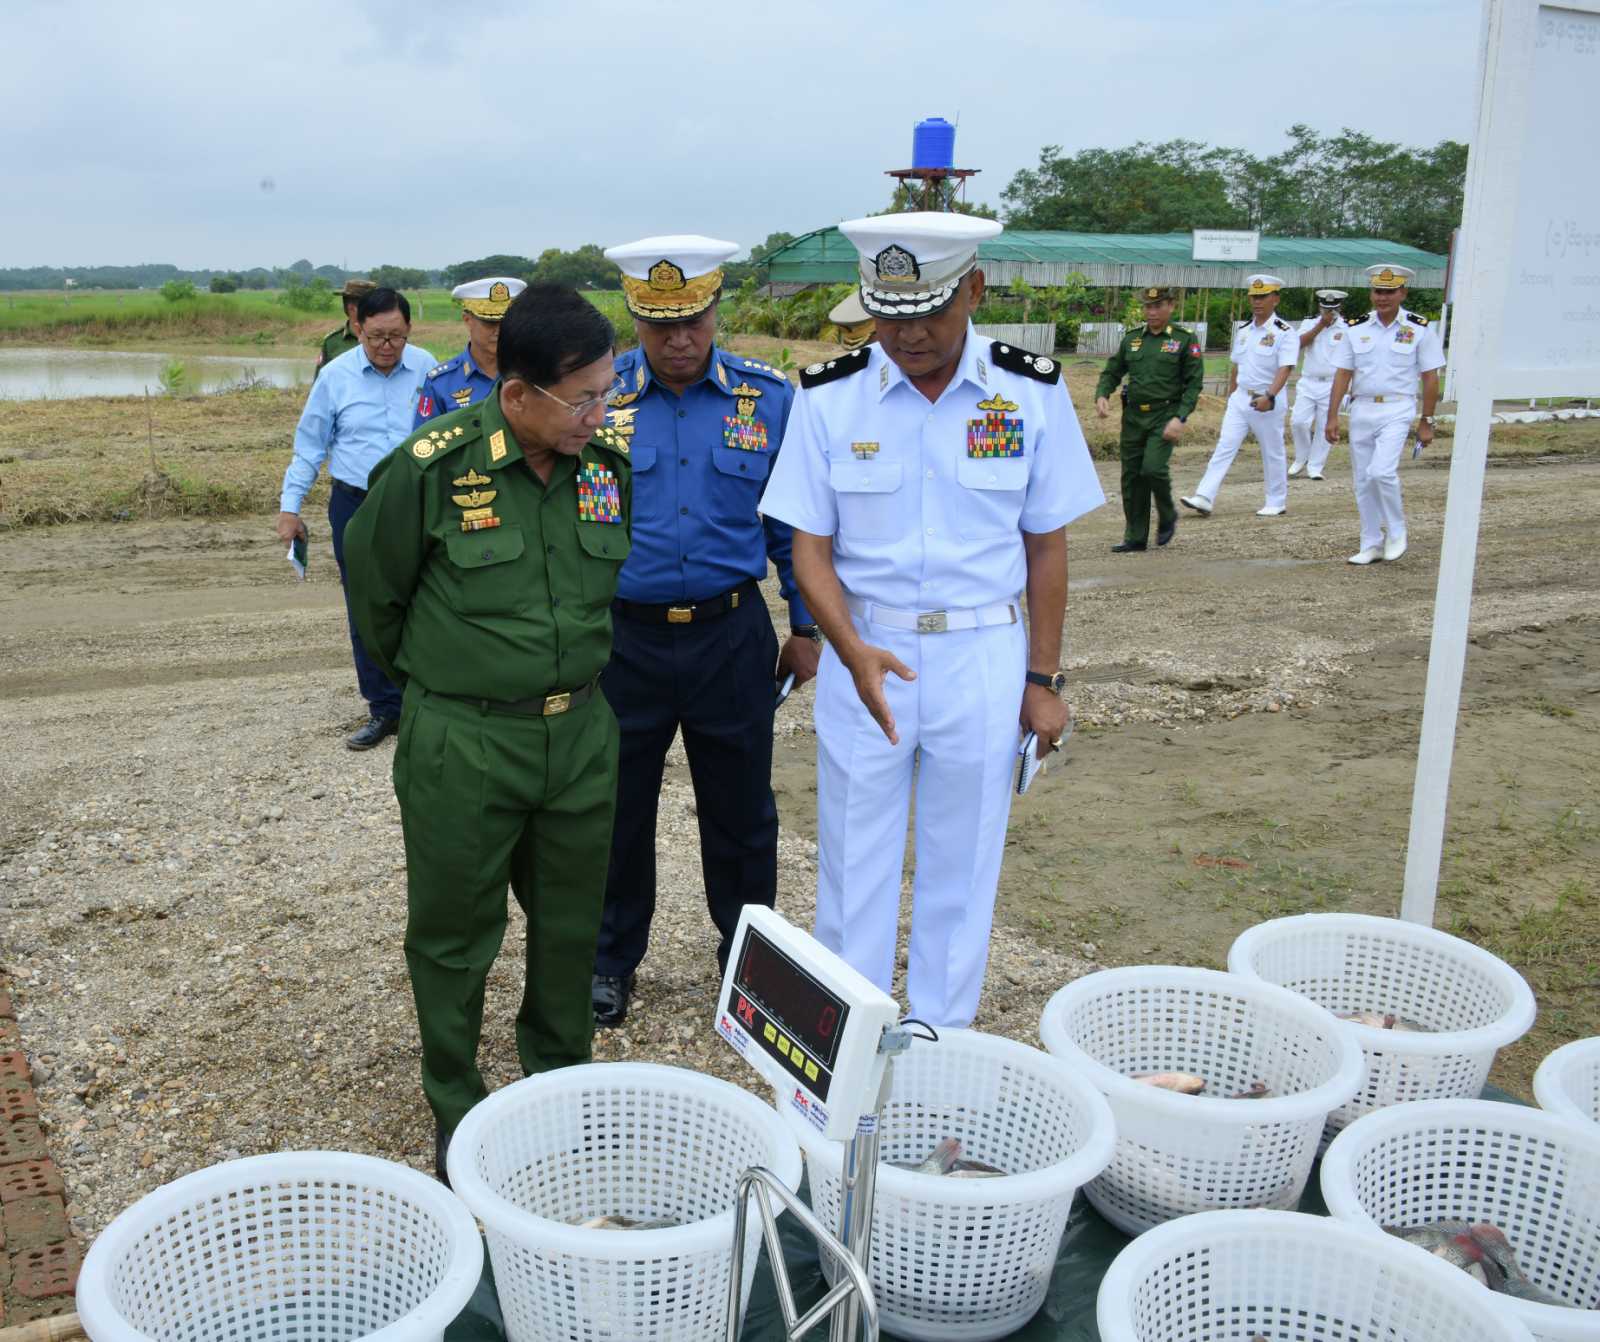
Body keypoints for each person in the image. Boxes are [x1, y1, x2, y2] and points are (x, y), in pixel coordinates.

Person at [759, 212, 1104, 1028]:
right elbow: (810, 550)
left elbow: (1046, 548)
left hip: (983, 648)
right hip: (862, 645)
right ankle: (847, 1043)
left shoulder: (1032, 392)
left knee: (964, 858)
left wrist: (1043, 681)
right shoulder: (831, 398)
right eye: (888, 314)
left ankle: (940, 1039)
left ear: (975, 290)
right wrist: (850, 651)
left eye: (928, 314)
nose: (906, 335)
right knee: (854, 862)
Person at [342, 285, 630, 1182]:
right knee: (455, 933)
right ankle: (458, 1110)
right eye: (581, 398)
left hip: (579, 737)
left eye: (606, 392)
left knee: (571, 927)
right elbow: (376, 597)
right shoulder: (433, 465)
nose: (600, 413)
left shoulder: (604, 468)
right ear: (517, 395)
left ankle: (558, 1087)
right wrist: (447, 689)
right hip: (464, 742)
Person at [588, 236, 821, 1028]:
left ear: (717, 310)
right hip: (624, 641)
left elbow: (794, 525)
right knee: (616, 811)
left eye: (692, 321)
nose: (678, 340)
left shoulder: (768, 398)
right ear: (635, 320)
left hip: (731, 634)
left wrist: (808, 623)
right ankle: (610, 962)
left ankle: (747, 966)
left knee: (742, 812)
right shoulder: (600, 397)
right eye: (659, 326)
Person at [275, 287, 434, 749]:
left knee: (426, 599)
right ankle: (385, 709)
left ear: (409, 332)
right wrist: (290, 508)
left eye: (397, 337)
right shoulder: (336, 376)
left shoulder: (430, 369)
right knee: (366, 606)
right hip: (356, 504)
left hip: (417, 503)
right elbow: (310, 446)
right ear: (358, 329)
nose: (388, 346)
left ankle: (424, 699)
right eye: (377, 336)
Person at [1325, 265, 1444, 565]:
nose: (1383, 297)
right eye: (1378, 291)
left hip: (1398, 406)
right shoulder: (1357, 328)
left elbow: (1430, 378)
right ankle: (1371, 543)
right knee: (1363, 480)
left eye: (1390, 292)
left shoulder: (1418, 329)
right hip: (1362, 407)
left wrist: (1427, 420)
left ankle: (1397, 530)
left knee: (1381, 472)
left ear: (1403, 293)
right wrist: (1332, 416)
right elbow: (1343, 374)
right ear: (1371, 292)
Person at [1094, 285, 1204, 552]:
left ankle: (1167, 514)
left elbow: (1194, 383)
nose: (1152, 312)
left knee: (1153, 468)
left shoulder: (1184, 339)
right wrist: (1102, 394)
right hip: (1132, 416)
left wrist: (1181, 417)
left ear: (1171, 307)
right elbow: (1113, 370)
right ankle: (1135, 536)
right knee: (1131, 477)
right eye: (1148, 307)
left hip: (1165, 415)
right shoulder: (1132, 339)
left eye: (1157, 306)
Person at [1180, 274, 1297, 518]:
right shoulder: (1244, 330)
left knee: (1272, 450)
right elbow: (1236, 365)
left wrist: (1270, 396)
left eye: (1263, 296)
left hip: (1266, 400)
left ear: (1275, 299)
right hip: (1241, 398)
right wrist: (1231, 396)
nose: (1257, 302)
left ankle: (1276, 500)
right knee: (1225, 446)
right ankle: (1204, 496)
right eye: (1254, 296)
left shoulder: (1285, 332)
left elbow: (1285, 368)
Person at [414, 277, 526, 427]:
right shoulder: (441, 383)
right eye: (490, 322)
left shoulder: (532, 374)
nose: (499, 330)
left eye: (507, 322)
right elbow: (423, 444)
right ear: (467, 320)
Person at [1288, 289, 1347, 480]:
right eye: (1325, 308)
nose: (1329, 312)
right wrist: (1320, 325)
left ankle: (1315, 466)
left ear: (1340, 307)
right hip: (1309, 381)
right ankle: (1301, 457)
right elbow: (1298, 343)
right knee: (1298, 421)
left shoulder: (1347, 328)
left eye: (1333, 309)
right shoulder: (1309, 323)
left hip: (1332, 383)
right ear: (1320, 307)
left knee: (1324, 426)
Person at [314, 279, 375, 380]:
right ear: (351, 308)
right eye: (372, 305)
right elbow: (320, 384)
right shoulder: (332, 342)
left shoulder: (389, 340)